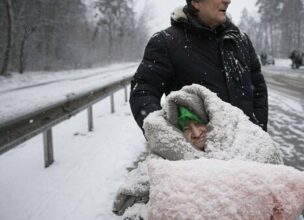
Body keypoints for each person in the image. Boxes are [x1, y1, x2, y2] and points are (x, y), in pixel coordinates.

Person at [113, 84, 283, 219]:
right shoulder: (168, 158)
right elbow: (133, 195)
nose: (195, 133)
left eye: (198, 122)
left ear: (210, 120)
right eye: (186, 128)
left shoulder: (244, 141)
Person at [130, 0, 269, 133]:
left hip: (246, 150)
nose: (228, 1)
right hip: (200, 155)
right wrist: (172, 139)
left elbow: (258, 91)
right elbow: (143, 92)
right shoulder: (166, 42)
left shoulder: (240, 41)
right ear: (196, 2)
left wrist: (258, 130)